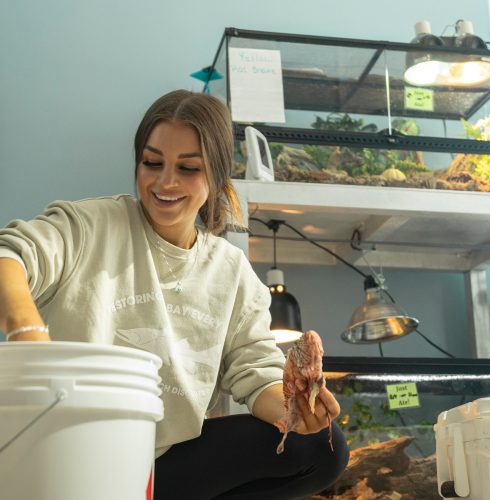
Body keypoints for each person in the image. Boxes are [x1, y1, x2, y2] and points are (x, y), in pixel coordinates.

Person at [0, 89, 349, 499]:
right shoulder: (90, 226)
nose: (166, 182)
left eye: (188, 168)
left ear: (217, 176)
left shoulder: (230, 271)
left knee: (323, 449)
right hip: (66, 452)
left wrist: (293, 409)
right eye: (152, 163)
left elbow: (255, 374)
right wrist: (30, 336)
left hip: (163, 469)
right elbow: (11, 255)